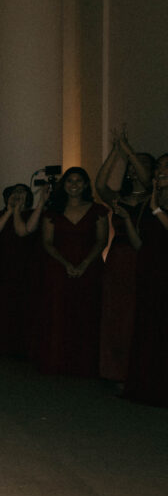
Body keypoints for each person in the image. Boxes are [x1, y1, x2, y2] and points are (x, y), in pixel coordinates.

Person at [35, 167, 108, 377]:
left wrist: (84, 264)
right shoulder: (53, 211)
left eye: (78, 181)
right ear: (63, 185)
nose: (73, 184)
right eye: (69, 181)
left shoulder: (98, 210)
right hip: (58, 267)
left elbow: (101, 240)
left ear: (85, 185)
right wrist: (65, 263)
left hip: (90, 266)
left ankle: (85, 364)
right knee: (58, 312)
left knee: (86, 312)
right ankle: (57, 361)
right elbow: (47, 242)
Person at [95, 133, 154, 381]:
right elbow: (99, 186)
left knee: (135, 314)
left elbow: (146, 179)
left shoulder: (155, 199)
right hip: (118, 258)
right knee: (114, 314)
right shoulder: (120, 198)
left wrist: (128, 149)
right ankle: (113, 370)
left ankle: (134, 371)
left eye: (137, 165)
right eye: (130, 166)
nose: (132, 170)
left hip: (143, 257)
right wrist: (115, 152)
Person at [124, 153, 168, 405]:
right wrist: (129, 220)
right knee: (149, 326)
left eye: (166, 167)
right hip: (150, 268)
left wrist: (157, 209)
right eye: (159, 167)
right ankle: (146, 385)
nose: (160, 171)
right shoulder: (150, 201)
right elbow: (140, 242)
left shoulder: (156, 205)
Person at [0, 183, 43, 357]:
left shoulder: (32, 215)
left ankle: (22, 349)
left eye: (22, 192)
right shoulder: (0, 215)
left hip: (26, 268)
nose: (18, 195)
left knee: (24, 307)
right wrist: (9, 211)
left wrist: (17, 211)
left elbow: (22, 232)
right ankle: (1, 347)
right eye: (14, 192)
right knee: (3, 307)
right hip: (5, 269)